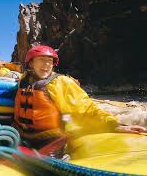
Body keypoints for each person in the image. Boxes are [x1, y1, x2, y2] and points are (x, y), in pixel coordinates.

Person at [13, 45, 147, 149]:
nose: (46, 65)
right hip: (21, 136)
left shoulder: (60, 83)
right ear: (31, 63)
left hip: (49, 141)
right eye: (42, 60)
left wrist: (114, 125)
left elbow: (86, 109)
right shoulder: (23, 80)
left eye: (49, 61)